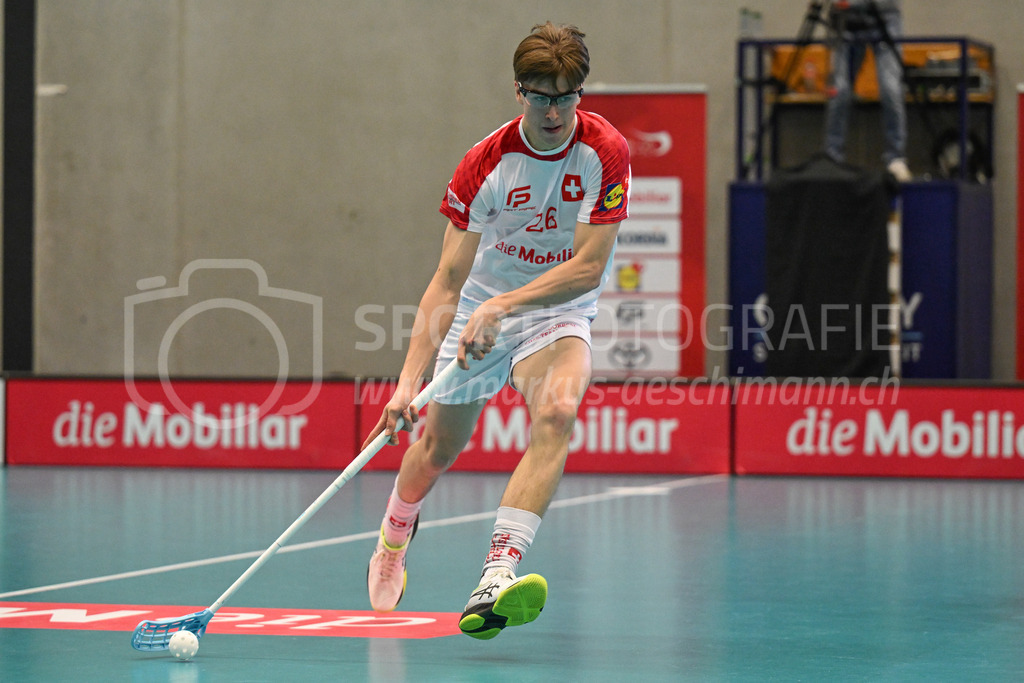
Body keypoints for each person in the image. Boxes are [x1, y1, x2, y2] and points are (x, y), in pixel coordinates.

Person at [361, 22, 630, 640]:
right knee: (435, 453)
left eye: (567, 96)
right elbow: (447, 281)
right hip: (479, 308)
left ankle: (496, 577)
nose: (556, 110)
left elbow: (587, 268)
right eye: (542, 95)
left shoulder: (605, 151)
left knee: (558, 412)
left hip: (553, 310)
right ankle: (394, 539)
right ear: (519, 92)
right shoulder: (485, 162)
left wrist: (507, 305)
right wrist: (407, 383)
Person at [824, 0, 911, 181]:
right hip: (846, 21)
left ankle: (895, 157)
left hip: (884, 18)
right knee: (839, 91)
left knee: (890, 88)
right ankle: (833, 157)